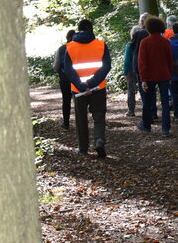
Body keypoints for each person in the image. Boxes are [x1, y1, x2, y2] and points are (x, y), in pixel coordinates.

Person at [61, 19, 112, 158]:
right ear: (91, 29)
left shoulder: (69, 47)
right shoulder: (101, 45)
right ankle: (99, 140)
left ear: (78, 30)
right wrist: (93, 83)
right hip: (98, 88)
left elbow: (68, 69)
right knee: (99, 116)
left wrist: (81, 85)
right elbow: (106, 66)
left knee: (81, 119)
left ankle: (83, 148)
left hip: (78, 91)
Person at [138, 16, 175, 137]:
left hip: (149, 76)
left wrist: (143, 79)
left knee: (148, 101)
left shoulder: (145, 42)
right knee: (165, 102)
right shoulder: (165, 42)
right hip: (164, 75)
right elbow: (170, 60)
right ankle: (165, 128)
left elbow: (142, 62)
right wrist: (170, 75)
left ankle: (146, 124)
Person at [52, 29, 76, 128]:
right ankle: (81, 122)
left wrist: (61, 73)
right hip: (78, 79)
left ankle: (66, 123)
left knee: (66, 101)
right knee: (79, 101)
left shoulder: (61, 49)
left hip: (65, 79)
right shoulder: (79, 48)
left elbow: (56, 66)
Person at [131, 13, 151, 120]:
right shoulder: (154, 33)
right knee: (151, 89)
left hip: (139, 65)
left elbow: (132, 47)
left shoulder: (138, 34)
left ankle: (147, 116)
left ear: (142, 22)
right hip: (152, 64)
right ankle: (153, 112)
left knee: (143, 90)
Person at [121, 25, 143, 118]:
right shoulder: (144, 43)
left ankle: (131, 110)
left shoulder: (130, 45)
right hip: (142, 68)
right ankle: (148, 110)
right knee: (144, 89)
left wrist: (126, 73)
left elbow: (127, 60)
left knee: (131, 90)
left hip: (131, 69)